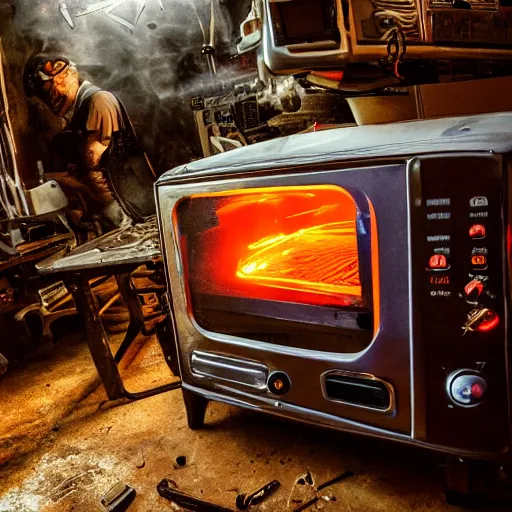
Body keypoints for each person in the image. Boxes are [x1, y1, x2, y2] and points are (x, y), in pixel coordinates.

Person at [23, 54, 156, 231]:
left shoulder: (99, 101)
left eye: (48, 88)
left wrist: (120, 221)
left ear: (64, 73)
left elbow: (93, 169)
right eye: (43, 95)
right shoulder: (79, 113)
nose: (50, 100)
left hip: (136, 216)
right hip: (127, 216)